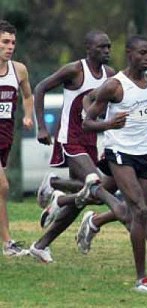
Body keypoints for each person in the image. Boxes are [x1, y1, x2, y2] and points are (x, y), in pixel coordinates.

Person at [29, 31, 128, 264]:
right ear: (88, 49)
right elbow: (41, 88)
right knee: (95, 184)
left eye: (109, 47)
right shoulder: (74, 70)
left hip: (91, 139)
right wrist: (41, 127)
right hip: (69, 137)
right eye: (101, 47)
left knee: (82, 200)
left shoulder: (110, 75)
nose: (106, 51)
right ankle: (112, 204)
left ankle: (41, 243)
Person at [82, 35, 147, 294]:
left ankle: (94, 204)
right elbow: (87, 120)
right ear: (129, 54)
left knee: (140, 210)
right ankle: (142, 279)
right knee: (140, 210)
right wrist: (109, 124)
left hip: (143, 152)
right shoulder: (115, 86)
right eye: (143, 53)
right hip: (118, 152)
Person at [0, 20, 34, 256]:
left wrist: (28, 116)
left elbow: (28, 95)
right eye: (5, 42)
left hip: (5, 137)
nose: (10, 46)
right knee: (2, 186)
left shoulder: (18, 69)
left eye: (13, 42)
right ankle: (8, 242)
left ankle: (6, 244)